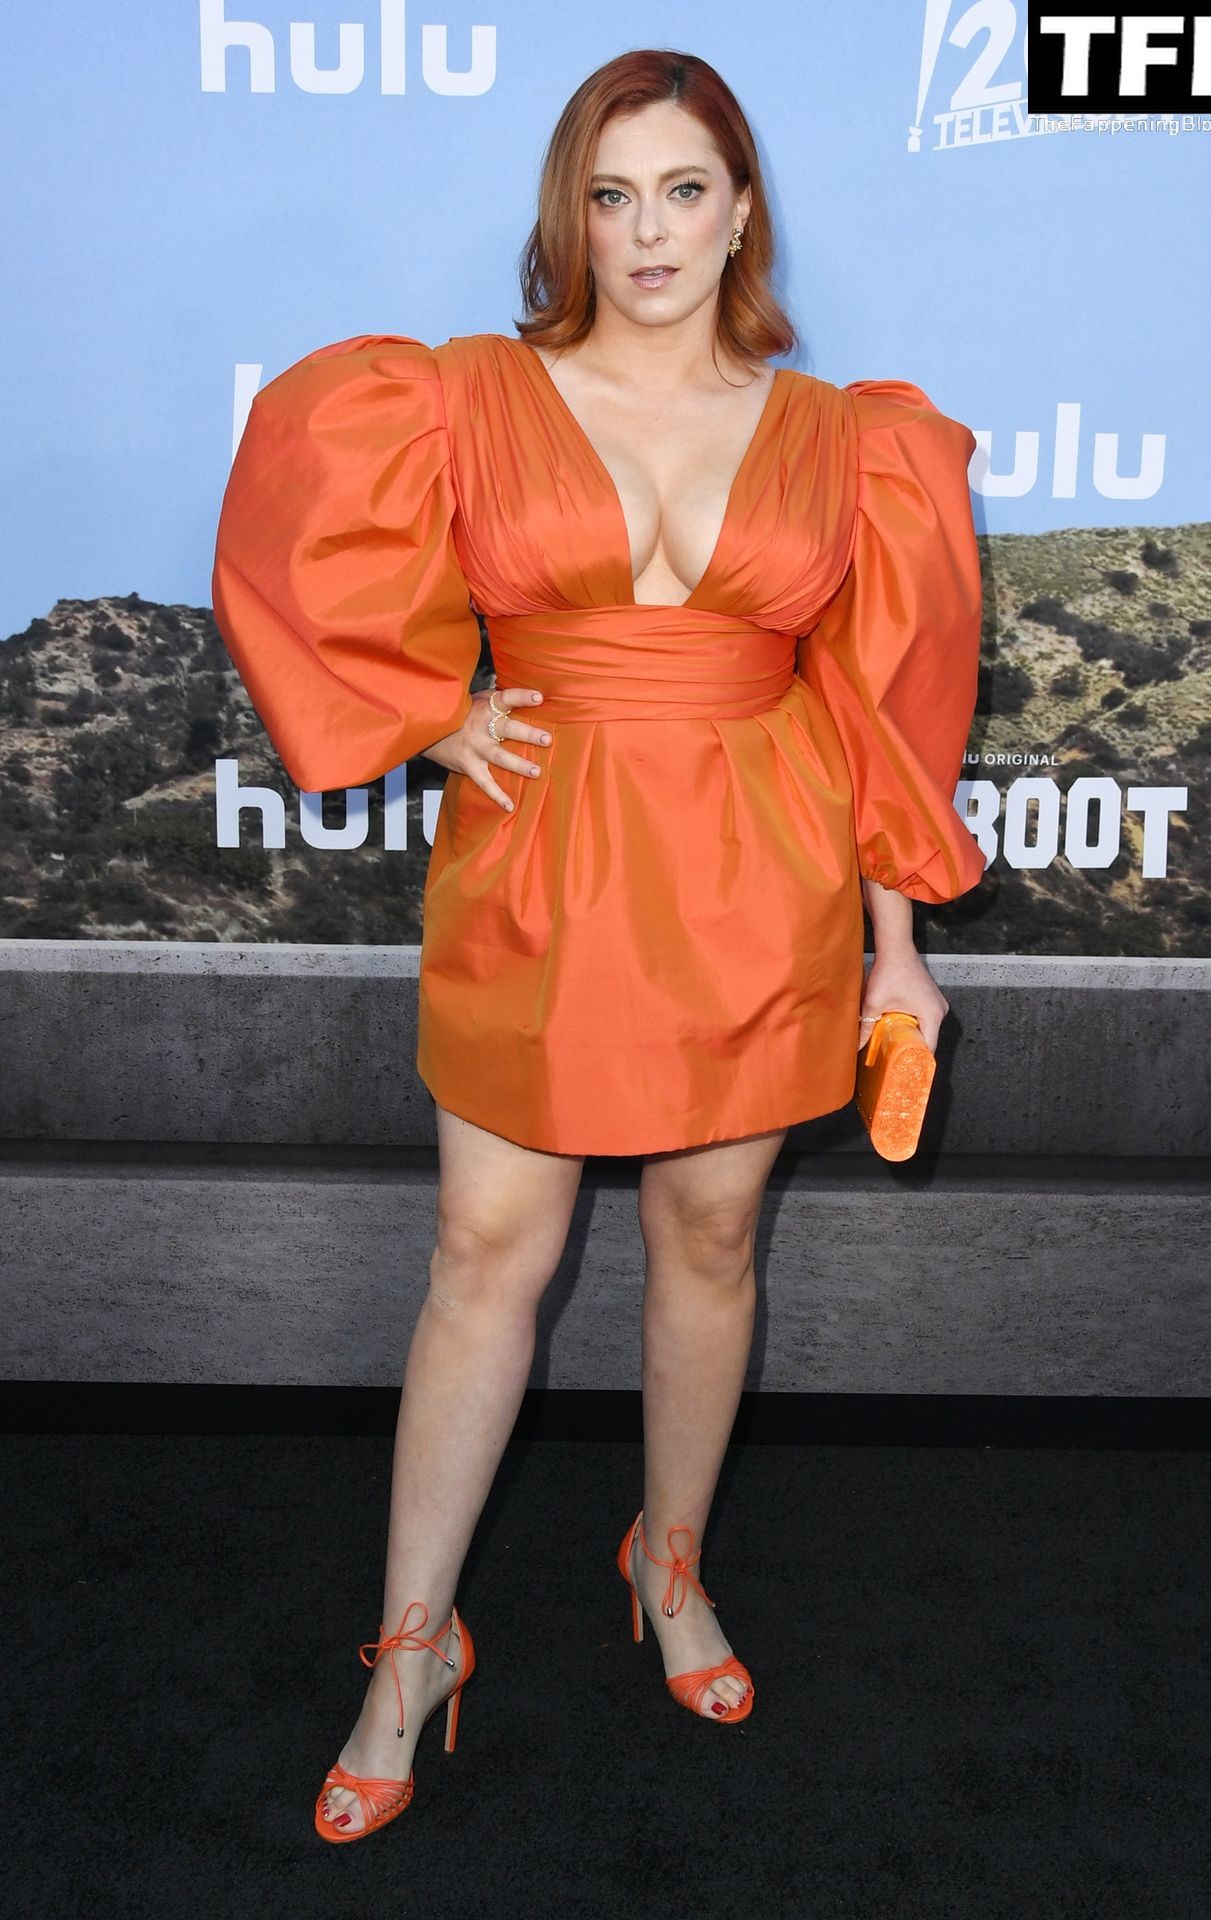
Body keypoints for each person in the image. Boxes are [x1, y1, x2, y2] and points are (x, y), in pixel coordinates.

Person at [210, 48, 987, 1843]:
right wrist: (431, 713)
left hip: (762, 875)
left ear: (741, 210)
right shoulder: (463, 395)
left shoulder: (847, 437)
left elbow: (879, 709)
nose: (647, 232)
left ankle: (670, 1560)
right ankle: (415, 1646)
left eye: (684, 190)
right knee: (487, 1252)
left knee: (708, 1236)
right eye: (611, 194)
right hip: (545, 872)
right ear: (571, 214)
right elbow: (285, 539)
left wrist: (898, 951)